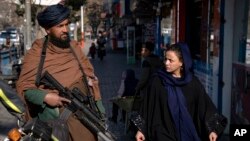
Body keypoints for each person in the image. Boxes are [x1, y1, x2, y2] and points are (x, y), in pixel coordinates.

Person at [16, 4, 105, 141]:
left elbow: (91, 81)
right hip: (55, 126)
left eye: (66, 25)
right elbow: (25, 88)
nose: (65, 30)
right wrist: (45, 97)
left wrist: (101, 112)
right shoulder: (37, 52)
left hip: (85, 121)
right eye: (60, 26)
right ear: (47, 29)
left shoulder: (74, 47)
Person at [134, 42, 227, 141]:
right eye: (165, 59)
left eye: (171, 60)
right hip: (163, 133)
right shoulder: (157, 81)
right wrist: (141, 130)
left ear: (182, 62)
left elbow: (205, 107)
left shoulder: (192, 83)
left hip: (187, 134)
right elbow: (147, 106)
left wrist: (212, 130)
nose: (166, 63)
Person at [133, 41, 164, 110]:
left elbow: (144, 78)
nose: (141, 52)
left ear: (148, 51)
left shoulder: (147, 62)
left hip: (149, 88)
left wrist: (137, 87)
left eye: (143, 50)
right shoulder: (158, 59)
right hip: (159, 86)